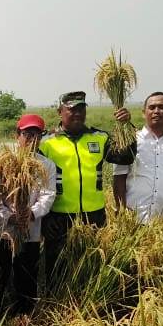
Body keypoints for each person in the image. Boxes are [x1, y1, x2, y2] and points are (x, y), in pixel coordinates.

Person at [38, 90, 136, 279]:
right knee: (57, 269)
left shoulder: (99, 138)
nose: (77, 113)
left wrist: (126, 126)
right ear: (60, 111)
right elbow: (34, 183)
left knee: (91, 267)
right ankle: (57, 302)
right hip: (58, 217)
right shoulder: (46, 142)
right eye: (72, 109)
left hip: (94, 216)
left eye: (81, 109)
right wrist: (44, 218)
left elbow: (125, 158)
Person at [0, 114, 57, 315]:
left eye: (37, 134)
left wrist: (30, 214)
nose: (32, 139)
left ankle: (24, 319)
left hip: (29, 232)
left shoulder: (46, 165)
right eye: (27, 134)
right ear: (18, 135)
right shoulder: (1, 162)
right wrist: (9, 216)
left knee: (26, 280)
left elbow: (48, 195)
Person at [113, 92, 163, 224]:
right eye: (152, 108)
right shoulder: (130, 140)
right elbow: (119, 177)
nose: (156, 111)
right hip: (134, 219)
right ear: (143, 112)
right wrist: (121, 210)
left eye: (162, 107)